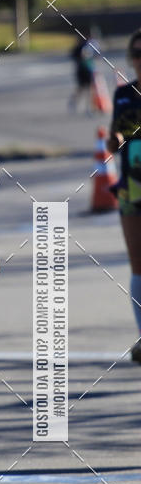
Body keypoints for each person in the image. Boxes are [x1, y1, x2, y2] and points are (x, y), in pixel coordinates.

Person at [108, 28, 141, 363]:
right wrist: (113, 140)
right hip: (132, 187)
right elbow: (116, 132)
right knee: (138, 264)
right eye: (136, 54)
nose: (140, 60)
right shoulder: (123, 94)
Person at [69, 31, 99, 113]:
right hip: (82, 70)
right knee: (81, 88)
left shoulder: (89, 46)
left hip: (89, 69)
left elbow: (95, 56)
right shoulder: (79, 47)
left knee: (90, 88)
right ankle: (73, 102)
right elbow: (75, 57)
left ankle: (89, 107)